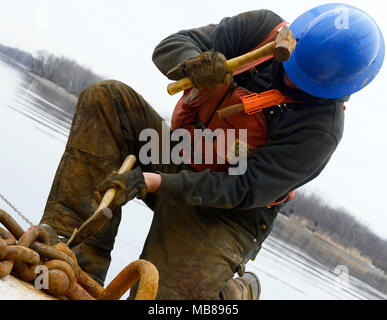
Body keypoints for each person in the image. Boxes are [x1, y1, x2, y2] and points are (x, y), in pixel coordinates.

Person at [40, 3, 384, 300]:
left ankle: (236, 293)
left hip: (229, 212)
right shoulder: (261, 28)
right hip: (176, 154)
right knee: (108, 99)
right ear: (296, 36)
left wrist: (151, 182)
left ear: (335, 88)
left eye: (307, 81)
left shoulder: (320, 131)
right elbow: (171, 46)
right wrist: (192, 63)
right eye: (294, 66)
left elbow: (242, 187)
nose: (292, 79)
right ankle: (75, 254)